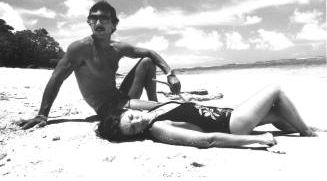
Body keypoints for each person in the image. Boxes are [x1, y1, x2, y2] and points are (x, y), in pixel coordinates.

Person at [18, 0, 181, 129]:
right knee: (166, 109)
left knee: (147, 61)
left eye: (103, 18)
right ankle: (158, 107)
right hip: (106, 107)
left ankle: (155, 101)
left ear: (114, 24)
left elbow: (150, 52)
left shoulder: (118, 48)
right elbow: (56, 78)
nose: (98, 22)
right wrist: (42, 114)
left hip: (122, 97)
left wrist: (170, 74)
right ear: (88, 22)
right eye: (93, 18)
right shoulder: (80, 48)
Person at [96, 85, 320, 148]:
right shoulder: (158, 128)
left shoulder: (152, 110)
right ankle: (308, 132)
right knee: (275, 92)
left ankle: (308, 129)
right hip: (233, 125)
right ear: (137, 134)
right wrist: (258, 139)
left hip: (230, 115)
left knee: (279, 115)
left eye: (132, 117)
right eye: (134, 128)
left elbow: (124, 102)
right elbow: (206, 140)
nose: (139, 120)